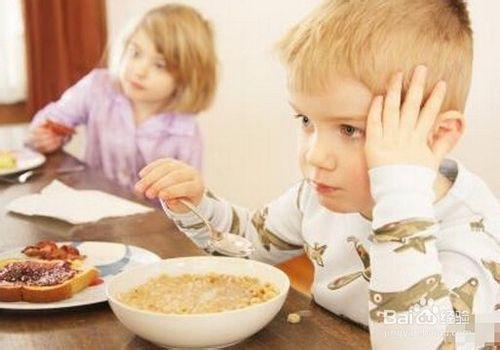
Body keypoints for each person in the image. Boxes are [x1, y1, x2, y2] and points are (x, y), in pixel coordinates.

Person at [135, 1, 500, 348]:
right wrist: (197, 205)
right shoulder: (319, 196)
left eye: (349, 129)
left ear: (435, 136)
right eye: (306, 120)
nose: (315, 156)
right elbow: (248, 246)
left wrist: (401, 196)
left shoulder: (474, 233)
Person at [28, 4, 217, 189]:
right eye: (135, 53)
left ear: (186, 77)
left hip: (152, 219)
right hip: (91, 208)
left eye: (160, 65)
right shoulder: (97, 87)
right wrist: (44, 136)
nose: (139, 71)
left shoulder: (185, 132)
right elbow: (48, 120)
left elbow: (189, 201)